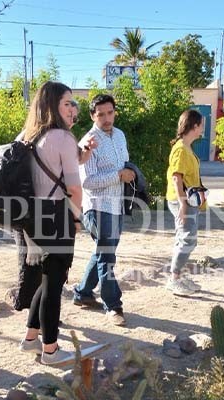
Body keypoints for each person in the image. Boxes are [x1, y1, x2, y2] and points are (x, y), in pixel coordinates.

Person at [17, 80, 83, 366]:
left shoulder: (28, 135)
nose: (73, 108)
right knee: (55, 283)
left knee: (46, 279)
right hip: (57, 214)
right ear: (53, 105)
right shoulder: (63, 138)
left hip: (32, 214)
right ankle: (51, 350)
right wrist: (77, 217)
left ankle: (31, 338)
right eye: (68, 102)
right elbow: (74, 188)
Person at [8, 99, 96, 313]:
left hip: (33, 209)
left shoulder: (42, 134)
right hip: (34, 210)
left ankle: (37, 317)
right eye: (69, 116)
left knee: (41, 266)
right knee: (34, 264)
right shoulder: (49, 137)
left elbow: (73, 161)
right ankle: (32, 314)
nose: (72, 121)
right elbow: (71, 184)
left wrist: (85, 152)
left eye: (74, 117)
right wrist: (76, 218)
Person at [72, 94, 134, 326]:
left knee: (102, 252)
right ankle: (113, 305)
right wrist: (118, 175)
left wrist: (129, 173)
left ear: (114, 112)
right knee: (107, 255)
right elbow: (87, 181)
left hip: (117, 204)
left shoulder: (119, 135)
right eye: (101, 115)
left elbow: (124, 164)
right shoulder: (88, 141)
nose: (107, 118)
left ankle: (82, 293)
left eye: (110, 113)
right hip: (98, 206)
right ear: (92, 116)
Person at [165, 109, 206, 296]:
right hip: (182, 201)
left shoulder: (186, 147)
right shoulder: (181, 149)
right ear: (195, 126)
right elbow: (176, 177)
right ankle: (174, 278)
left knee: (185, 238)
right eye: (202, 125)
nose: (203, 128)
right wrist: (182, 204)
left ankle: (179, 275)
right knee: (188, 239)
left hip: (188, 201)